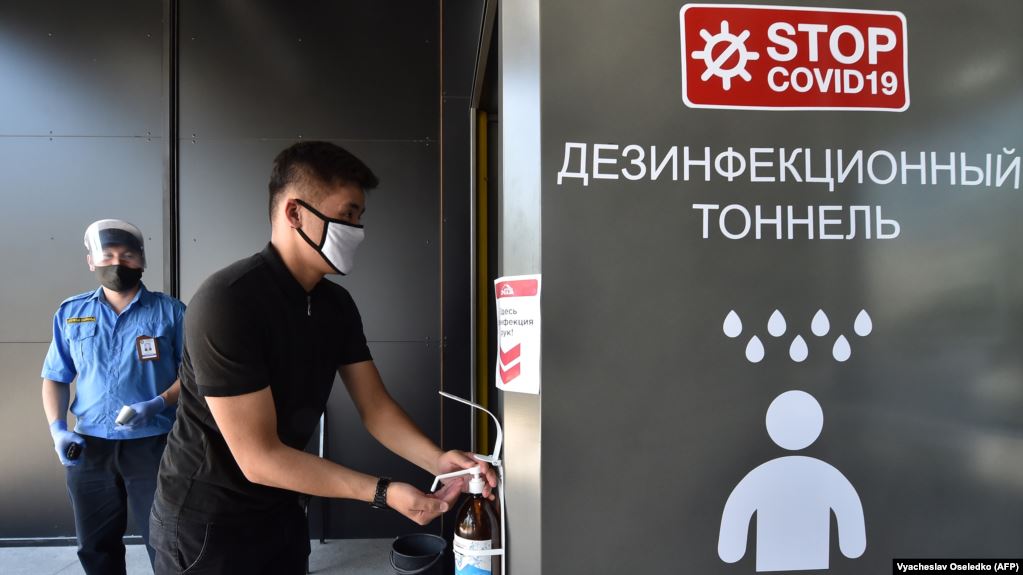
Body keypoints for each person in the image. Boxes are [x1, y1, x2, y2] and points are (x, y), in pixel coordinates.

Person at [150, 141, 496, 574]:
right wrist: (383, 492)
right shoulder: (228, 301)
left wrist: (438, 462)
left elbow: (376, 408)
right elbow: (259, 458)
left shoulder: (336, 305)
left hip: (284, 509)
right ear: (295, 213)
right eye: (347, 215)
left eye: (359, 217)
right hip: (207, 522)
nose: (357, 230)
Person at [42, 219, 185, 575]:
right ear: (91, 261)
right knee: (95, 547)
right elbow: (55, 377)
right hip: (89, 449)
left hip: (154, 446)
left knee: (167, 541)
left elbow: (194, 375)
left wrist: (158, 402)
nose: (118, 263)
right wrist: (57, 429)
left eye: (128, 255)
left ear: (142, 261)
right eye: (107, 255)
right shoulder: (72, 313)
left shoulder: (171, 313)